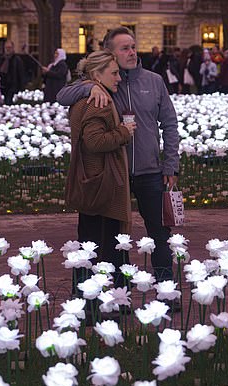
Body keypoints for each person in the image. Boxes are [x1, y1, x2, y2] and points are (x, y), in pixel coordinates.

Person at [57, 26, 180, 282]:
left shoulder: (153, 81)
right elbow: (62, 95)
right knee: (116, 235)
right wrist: (89, 88)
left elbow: (170, 124)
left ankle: (167, 289)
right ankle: (120, 292)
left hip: (149, 172)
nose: (132, 52)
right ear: (110, 53)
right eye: (125, 48)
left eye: (133, 46)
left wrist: (171, 165)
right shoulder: (107, 81)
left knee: (159, 233)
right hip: (116, 174)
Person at [65, 50, 136, 269]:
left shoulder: (83, 97)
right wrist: (124, 132)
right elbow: (94, 142)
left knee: (88, 243)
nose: (119, 78)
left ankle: (86, 294)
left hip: (91, 180)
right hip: (103, 183)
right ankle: (103, 297)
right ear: (97, 74)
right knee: (104, 248)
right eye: (114, 73)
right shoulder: (99, 102)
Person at [0, 40, 25, 105]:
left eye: (9, 47)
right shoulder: (2, 59)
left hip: (12, 85)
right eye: (6, 47)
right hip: (3, 85)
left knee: (9, 102)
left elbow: (21, 74)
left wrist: (21, 87)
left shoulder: (17, 59)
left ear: (12, 48)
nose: (7, 49)